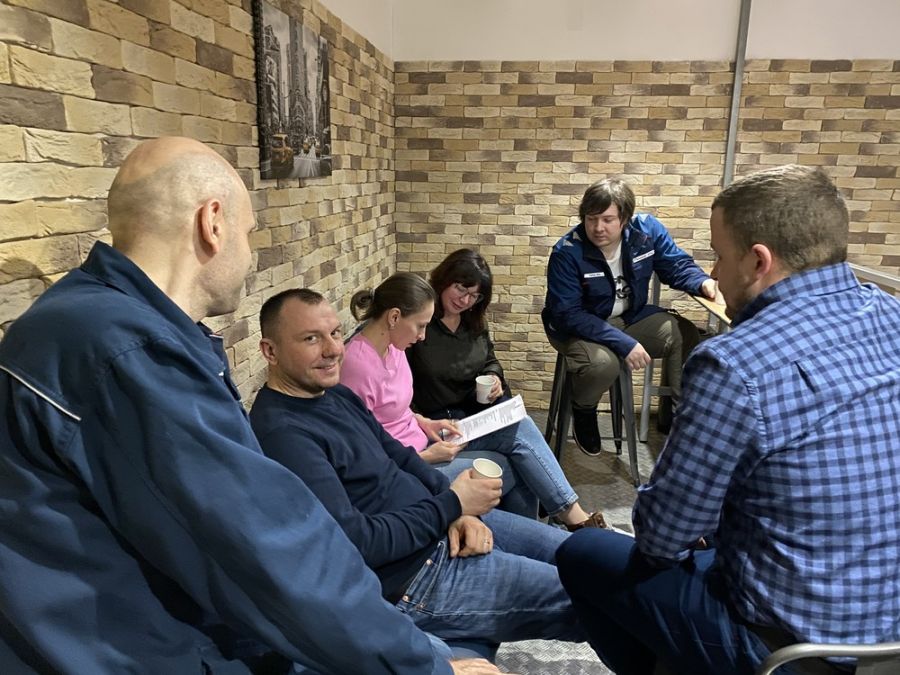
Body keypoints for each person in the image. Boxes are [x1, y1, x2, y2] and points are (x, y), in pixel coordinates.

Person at [0, 137, 499, 675]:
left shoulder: (91, 319)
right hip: (137, 646)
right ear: (212, 223)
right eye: (249, 233)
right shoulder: (128, 349)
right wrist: (424, 666)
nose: (250, 254)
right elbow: (265, 547)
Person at [555, 165, 900, 675]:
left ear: (759, 261)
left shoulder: (735, 362)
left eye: (719, 256)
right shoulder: (891, 315)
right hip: (887, 640)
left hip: (793, 649)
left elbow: (660, 537)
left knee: (582, 552)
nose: (713, 273)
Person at [249, 289, 586, 650]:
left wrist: (457, 509)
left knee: (587, 554)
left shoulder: (335, 393)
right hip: (416, 577)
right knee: (596, 597)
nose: (333, 349)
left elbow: (399, 455)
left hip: (437, 524)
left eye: (334, 333)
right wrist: (452, 505)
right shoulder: (283, 434)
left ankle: (580, 522)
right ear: (270, 351)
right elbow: (357, 542)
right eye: (311, 339)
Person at [341, 271, 604, 530]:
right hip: (407, 468)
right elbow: (362, 455)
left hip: (424, 438)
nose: (422, 336)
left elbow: (391, 410)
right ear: (394, 317)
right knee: (510, 465)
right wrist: (425, 457)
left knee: (517, 425)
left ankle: (570, 520)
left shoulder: (393, 346)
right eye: (420, 326)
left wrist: (423, 421)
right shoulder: (357, 368)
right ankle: (546, 532)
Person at [407, 249, 614, 529]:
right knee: (520, 436)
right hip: (440, 426)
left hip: (473, 417)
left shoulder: (472, 320)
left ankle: (544, 532)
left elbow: (490, 360)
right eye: (461, 289)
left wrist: (493, 378)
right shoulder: (421, 323)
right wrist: (422, 420)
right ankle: (571, 520)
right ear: (444, 279)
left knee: (520, 441)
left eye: (474, 296)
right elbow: (401, 391)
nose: (465, 300)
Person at [543, 178, 717, 455]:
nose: (598, 228)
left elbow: (675, 264)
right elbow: (568, 314)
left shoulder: (646, 232)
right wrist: (624, 343)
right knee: (603, 364)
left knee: (684, 334)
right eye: (591, 219)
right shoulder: (567, 252)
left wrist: (702, 282)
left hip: (630, 317)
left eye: (607, 219)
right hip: (578, 326)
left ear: (625, 218)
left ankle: (682, 417)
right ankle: (584, 409)